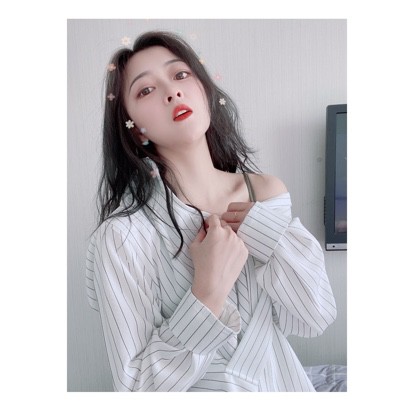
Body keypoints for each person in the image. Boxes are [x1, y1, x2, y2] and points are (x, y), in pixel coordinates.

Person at [85, 31, 337, 392]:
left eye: (180, 74)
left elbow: (313, 317)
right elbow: (136, 388)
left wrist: (266, 233)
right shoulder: (123, 236)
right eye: (146, 90)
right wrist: (207, 292)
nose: (172, 92)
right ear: (134, 128)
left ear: (204, 90)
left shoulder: (265, 193)